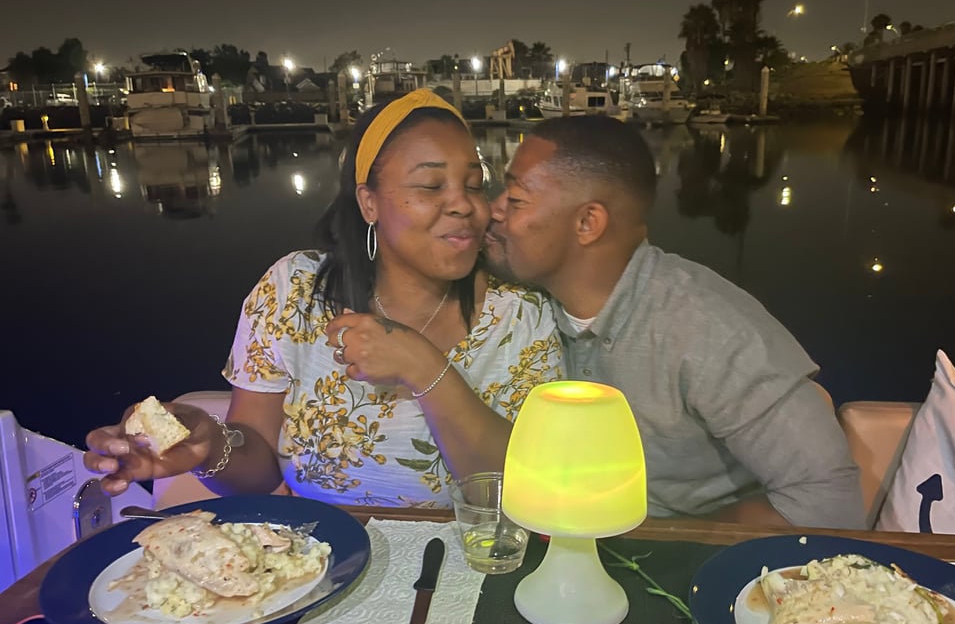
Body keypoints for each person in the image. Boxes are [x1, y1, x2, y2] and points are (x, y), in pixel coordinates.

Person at [85, 89, 563, 507]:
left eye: (475, 185)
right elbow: (258, 469)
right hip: (318, 560)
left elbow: (526, 490)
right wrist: (208, 448)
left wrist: (424, 369)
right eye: (431, 185)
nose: (465, 204)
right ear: (369, 203)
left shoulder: (521, 315)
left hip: (465, 563)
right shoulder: (293, 291)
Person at [484, 115, 865, 529]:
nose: (493, 209)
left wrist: (668, 540)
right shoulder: (525, 307)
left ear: (587, 223)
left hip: (693, 556)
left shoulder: (707, 331)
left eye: (515, 198)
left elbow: (828, 502)